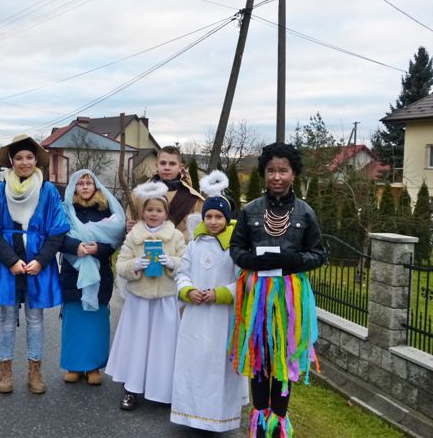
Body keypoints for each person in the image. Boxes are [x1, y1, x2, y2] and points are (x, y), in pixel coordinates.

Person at [229, 142, 326, 438]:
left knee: (283, 359)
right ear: (264, 173)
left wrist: (293, 260)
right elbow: (236, 248)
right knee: (261, 358)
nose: (276, 176)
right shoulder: (251, 210)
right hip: (257, 296)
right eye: (271, 170)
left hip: (289, 298)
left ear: (293, 173)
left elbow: (320, 254)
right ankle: (259, 424)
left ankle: (278, 424)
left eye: (283, 170)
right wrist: (252, 261)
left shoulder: (305, 212)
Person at [0, 134, 69, 395]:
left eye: (29, 157)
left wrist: (41, 261)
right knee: (7, 318)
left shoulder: (48, 191)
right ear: (11, 161)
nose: (25, 162)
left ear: (36, 161)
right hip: (8, 263)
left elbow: (57, 231)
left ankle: (35, 371)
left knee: (35, 318)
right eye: (19, 158)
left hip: (37, 262)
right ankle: (5, 372)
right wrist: (11, 261)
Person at [170, 170, 249, 432]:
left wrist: (219, 294)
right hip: (195, 316)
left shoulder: (236, 248)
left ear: (227, 219)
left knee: (219, 367)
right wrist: (188, 290)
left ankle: (218, 418)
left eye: (218, 216)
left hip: (222, 318)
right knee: (194, 364)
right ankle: (190, 415)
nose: (213, 221)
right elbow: (182, 273)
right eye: (209, 216)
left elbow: (243, 281)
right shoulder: (194, 244)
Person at [106, 181, 186, 411]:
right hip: (140, 300)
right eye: (149, 210)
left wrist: (172, 263)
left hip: (165, 300)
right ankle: (132, 389)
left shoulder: (176, 237)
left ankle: (165, 389)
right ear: (142, 212)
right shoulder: (134, 236)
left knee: (164, 344)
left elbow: (187, 264)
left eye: (158, 210)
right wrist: (134, 265)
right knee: (137, 343)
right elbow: (120, 264)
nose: (153, 214)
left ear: (166, 213)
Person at [59, 169, 125, 385]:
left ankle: (94, 366)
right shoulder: (66, 210)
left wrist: (99, 248)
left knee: (96, 322)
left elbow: (116, 237)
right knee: (74, 321)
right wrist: (75, 246)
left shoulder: (106, 209)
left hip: (99, 273)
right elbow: (57, 236)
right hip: (73, 272)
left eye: (89, 182)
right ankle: (74, 365)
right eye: (80, 183)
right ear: (73, 187)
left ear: (96, 186)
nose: (85, 186)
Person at [126, 146, 203, 242]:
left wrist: (172, 243)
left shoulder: (193, 199)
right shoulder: (138, 194)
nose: (167, 167)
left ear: (180, 167)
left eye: (172, 164)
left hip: (177, 252)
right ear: (156, 165)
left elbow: (197, 228)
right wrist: (129, 226)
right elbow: (131, 221)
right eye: (163, 163)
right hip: (144, 249)